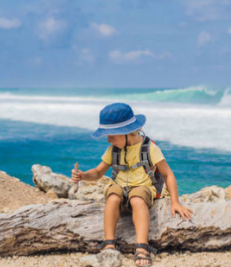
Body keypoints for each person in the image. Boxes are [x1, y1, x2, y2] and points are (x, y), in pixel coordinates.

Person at [72, 103, 193, 267]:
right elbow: (98, 172)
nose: (108, 139)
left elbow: (167, 174)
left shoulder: (149, 148)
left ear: (128, 132)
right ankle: (109, 243)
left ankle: (142, 247)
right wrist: (84, 176)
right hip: (120, 186)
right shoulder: (113, 149)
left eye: (112, 135)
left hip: (143, 188)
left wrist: (175, 202)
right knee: (113, 196)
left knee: (137, 199)